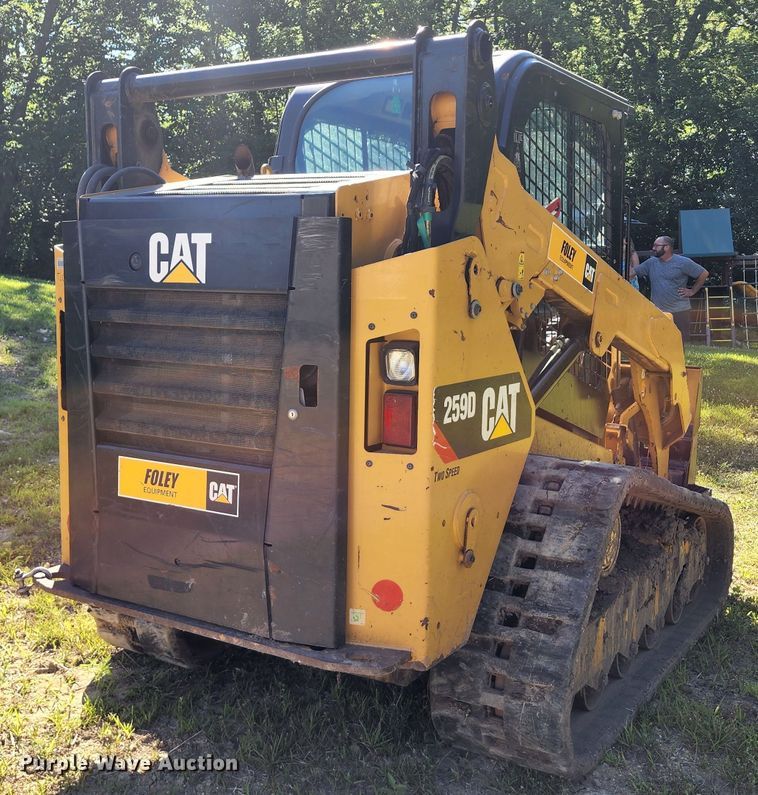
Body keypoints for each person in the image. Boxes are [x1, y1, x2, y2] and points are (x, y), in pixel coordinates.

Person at [631, 235, 708, 342]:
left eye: (656, 245)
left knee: (679, 342)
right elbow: (632, 273)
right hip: (658, 311)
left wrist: (692, 291)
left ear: (666, 247)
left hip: (680, 311)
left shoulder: (683, 262)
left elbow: (703, 273)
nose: (653, 248)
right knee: (658, 342)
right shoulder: (651, 263)